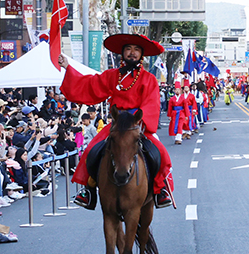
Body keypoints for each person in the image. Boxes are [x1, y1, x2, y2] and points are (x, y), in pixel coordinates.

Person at [58, 33, 175, 209]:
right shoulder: (112, 75)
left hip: (138, 125)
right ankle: (88, 190)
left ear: (141, 54)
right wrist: (68, 67)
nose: (132, 53)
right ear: (122, 53)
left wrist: (137, 121)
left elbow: (151, 104)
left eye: (136, 49)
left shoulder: (148, 78)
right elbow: (89, 85)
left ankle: (160, 191)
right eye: (128, 49)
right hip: (116, 123)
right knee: (91, 149)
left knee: (160, 152)